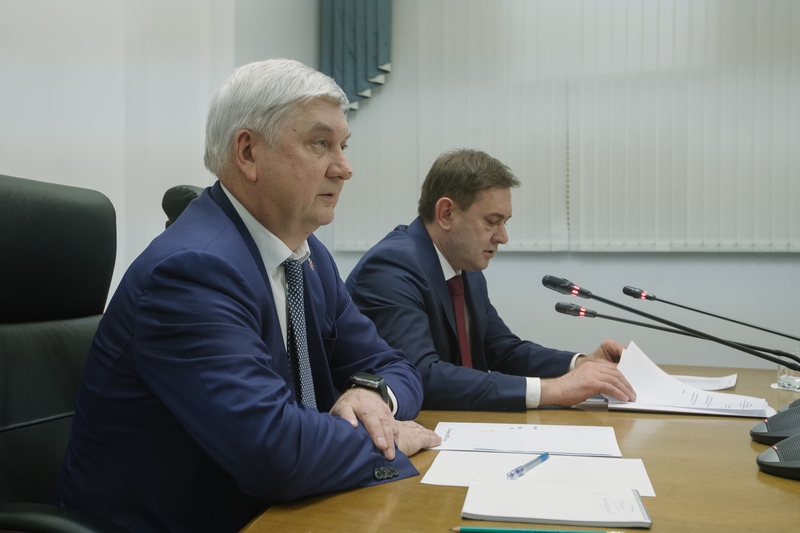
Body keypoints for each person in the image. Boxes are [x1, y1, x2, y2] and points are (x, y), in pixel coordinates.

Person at [51, 59, 440, 533]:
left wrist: (373, 396)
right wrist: (388, 439)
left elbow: (396, 366)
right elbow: (275, 453)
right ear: (248, 152)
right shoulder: (193, 272)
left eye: (343, 145)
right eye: (321, 143)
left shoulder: (306, 256)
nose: (345, 168)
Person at [345, 149, 636, 411]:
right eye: (492, 221)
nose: (503, 237)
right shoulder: (391, 268)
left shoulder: (466, 268)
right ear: (446, 213)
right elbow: (421, 376)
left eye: (504, 223)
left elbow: (502, 350)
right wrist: (553, 390)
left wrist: (581, 364)